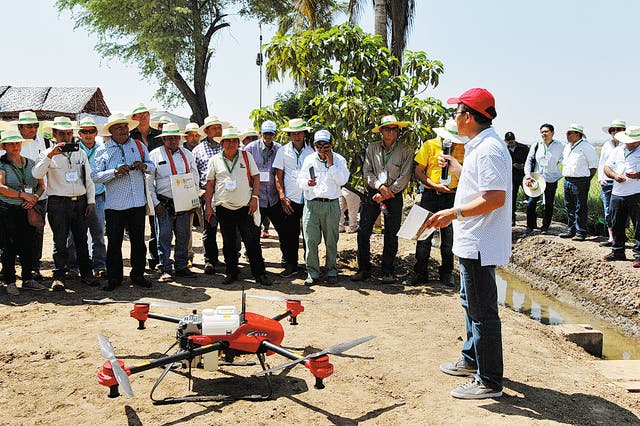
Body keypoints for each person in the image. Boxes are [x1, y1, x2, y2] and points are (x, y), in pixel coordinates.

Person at [426, 88, 510, 399]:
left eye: (456, 112)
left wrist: (454, 212)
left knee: (482, 312)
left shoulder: (488, 150)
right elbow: (479, 185)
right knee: (470, 304)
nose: (454, 118)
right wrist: (457, 168)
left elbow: (494, 198)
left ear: (469, 117)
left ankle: (489, 381)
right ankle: (472, 360)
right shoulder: (479, 147)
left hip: (480, 242)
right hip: (472, 240)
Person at [33, 117, 97, 291]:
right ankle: (59, 275)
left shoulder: (80, 152)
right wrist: (51, 155)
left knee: (81, 239)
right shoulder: (46, 153)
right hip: (58, 202)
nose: (66, 137)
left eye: (69, 133)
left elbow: (88, 178)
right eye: (62, 133)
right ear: (54, 134)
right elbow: (36, 173)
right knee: (59, 240)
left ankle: (86, 273)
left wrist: (91, 201)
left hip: (80, 201)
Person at [92, 113, 155, 291]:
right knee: (114, 243)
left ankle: (138, 275)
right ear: (111, 131)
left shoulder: (138, 145)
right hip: (115, 205)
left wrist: (144, 166)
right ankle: (115, 278)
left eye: (125, 127)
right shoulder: (102, 149)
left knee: (138, 242)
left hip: (137, 203)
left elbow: (152, 165)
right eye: (119, 128)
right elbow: (95, 176)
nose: (124, 130)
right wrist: (115, 172)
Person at [203, 127, 272, 286]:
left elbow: (255, 177)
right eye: (228, 141)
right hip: (223, 207)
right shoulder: (215, 160)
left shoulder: (246, 157)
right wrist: (208, 205)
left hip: (245, 206)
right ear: (222, 143)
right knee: (229, 243)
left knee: (252, 241)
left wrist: (255, 198)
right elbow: (210, 184)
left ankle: (259, 274)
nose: (232, 144)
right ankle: (231, 272)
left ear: (238, 142)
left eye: (235, 140)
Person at [351, 115, 413, 284]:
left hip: (394, 195)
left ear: (398, 131)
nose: (391, 132)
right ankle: (364, 269)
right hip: (374, 193)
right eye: (387, 128)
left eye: (394, 128)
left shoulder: (405, 150)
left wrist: (388, 191)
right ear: (381, 131)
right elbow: (367, 172)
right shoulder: (372, 148)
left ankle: (388, 271)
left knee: (391, 233)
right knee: (364, 231)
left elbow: (405, 175)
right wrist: (380, 187)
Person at [409, 119, 466, 286]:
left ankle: (446, 273)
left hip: (452, 197)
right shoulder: (430, 145)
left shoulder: (465, 148)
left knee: (448, 237)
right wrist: (434, 185)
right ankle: (420, 272)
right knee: (424, 235)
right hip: (430, 194)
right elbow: (418, 171)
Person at [298, 130, 350, 285]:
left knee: (331, 240)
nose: (322, 149)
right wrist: (308, 183)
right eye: (318, 145)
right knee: (311, 240)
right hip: (312, 204)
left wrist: (331, 164)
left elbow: (342, 180)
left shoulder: (339, 159)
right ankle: (312, 272)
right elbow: (299, 181)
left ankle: (332, 271)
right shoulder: (308, 159)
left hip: (331, 204)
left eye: (325, 145)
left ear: (331, 144)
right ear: (314, 145)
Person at [148, 123, 199, 281]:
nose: (173, 141)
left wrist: (193, 197)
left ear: (180, 138)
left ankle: (181, 266)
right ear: (163, 139)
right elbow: (149, 182)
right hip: (164, 203)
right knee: (163, 236)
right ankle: (165, 268)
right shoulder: (155, 155)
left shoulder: (187, 154)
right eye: (169, 138)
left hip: (183, 201)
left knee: (184, 235)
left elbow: (194, 176)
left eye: (175, 137)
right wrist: (155, 203)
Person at [0, 130, 47, 295]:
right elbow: (0, 187)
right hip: (9, 210)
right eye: (11, 144)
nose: (15, 146)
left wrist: (34, 197)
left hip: (28, 209)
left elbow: (41, 185)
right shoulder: (1, 164)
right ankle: (10, 280)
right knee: (9, 246)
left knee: (28, 244)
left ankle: (27, 278)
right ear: (4, 146)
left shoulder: (31, 163)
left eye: (17, 143)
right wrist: (22, 195)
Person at [273, 118, 315, 277]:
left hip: (308, 199)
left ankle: (310, 266)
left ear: (304, 134)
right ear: (289, 135)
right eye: (293, 133)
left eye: (300, 133)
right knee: (289, 235)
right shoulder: (283, 151)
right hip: (290, 199)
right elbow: (278, 176)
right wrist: (282, 197)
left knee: (309, 235)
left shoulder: (311, 151)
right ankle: (291, 265)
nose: (297, 136)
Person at [66, 117, 107, 278]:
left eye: (91, 131)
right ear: (79, 133)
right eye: (84, 131)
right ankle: (73, 266)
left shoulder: (103, 149)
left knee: (98, 233)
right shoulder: (72, 149)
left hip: (97, 195)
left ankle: (99, 265)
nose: (88, 134)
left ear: (96, 132)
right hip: (78, 197)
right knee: (74, 234)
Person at [244, 120, 287, 270]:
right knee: (253, 232)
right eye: (266, 133)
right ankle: (254, 259)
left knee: (283, 231)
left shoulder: (279, 149)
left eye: (271, 133)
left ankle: (286, 259)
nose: (268, 136)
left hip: (274, 198)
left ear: (275, 134)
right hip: (257, 198)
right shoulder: (250, 148)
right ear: (260, 133)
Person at [15, 111, 49, 280]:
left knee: (37, 232)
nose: (33, 129)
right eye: (29, 126)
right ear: (20, 127)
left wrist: (35, 195)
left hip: (39, 195)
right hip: (15, 196)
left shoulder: (45, 141)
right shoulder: (11, 143)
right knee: (13, 233)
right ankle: (10, 268)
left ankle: (33, 267)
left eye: (36, 125)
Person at [192, 115, 228, 274]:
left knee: (228, 228)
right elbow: (192, 173)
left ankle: (229, 259)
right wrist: (198, 190)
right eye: (214, 128)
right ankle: (210, 260)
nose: (218, 130)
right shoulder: (198, 150)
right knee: (210, 228)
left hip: (226, 194)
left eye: (219, 127)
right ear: (206, 131)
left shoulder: (227, 145)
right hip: (207, 194)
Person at [128, 103, 162, 271]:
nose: (142, 117)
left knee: (156, 222)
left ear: (149, 115)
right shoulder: (128, 136)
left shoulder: (159, 135)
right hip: (135, 182)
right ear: (133, 119)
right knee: (138, 224)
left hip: (156, 182)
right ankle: (140, 260)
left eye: (145, 114)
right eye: (138, 115)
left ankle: (155, 257)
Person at [602, 126, 640, 268]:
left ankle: (638, 255)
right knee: (617, 223)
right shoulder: (618, 151)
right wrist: (614, 176)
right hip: (617, 193)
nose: (630, 144)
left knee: (638, 225)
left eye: (634, 142)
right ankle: (617, 251)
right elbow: (607, 168)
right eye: (628, 141)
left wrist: (637, 175)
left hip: (636, 193)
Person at [559, 124, 598, 241]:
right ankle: (571, 230)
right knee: (569, 206)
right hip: (567, 180)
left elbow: (593, 166)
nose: (567, 135)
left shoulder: (587, 147)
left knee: (580, 207)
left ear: (578, 134)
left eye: (570, 133)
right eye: (567, 133)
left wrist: (586, 180)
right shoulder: (567, 147)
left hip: (580, 181)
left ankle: (581, 232)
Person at [523, 123, 564, 235]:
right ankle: (530, 226)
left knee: (549, 204)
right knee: (531, 203)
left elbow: (564, 160)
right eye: (542, 132)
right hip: (537, 179)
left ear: (552, 133)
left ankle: (545, 227)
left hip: (551, 178)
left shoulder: (560, 146)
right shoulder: (536, 145)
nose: (544, 134)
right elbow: (529, 161)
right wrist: (527, 175)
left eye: (546, 131)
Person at [598, 120, 626, 246]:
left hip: (623, 182)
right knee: (608, 210)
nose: (615, 132)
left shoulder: (628, 144)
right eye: (613, 130)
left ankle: (622, 236)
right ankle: (611, 237)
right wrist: (600, 177)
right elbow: (602, 162)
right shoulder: (606, 145)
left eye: (618, 129)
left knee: (623, 211)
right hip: (608, 181)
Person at [505, 131, 529, 225]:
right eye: (508, 140)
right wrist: (513, 165)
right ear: (505, 141)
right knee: (512, 199)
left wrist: (523, 166)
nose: (510, 142)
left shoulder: (524, 148)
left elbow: (530, 160)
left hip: (524, 176)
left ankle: (532, 221)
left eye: (512, 140)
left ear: (515, 139)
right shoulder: (504, 149)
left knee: (530, 198)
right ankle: (512, 219)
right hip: (512, 177)